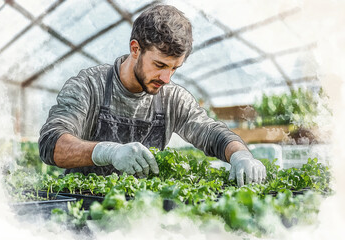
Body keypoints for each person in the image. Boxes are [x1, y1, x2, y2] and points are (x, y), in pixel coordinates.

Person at [39, 4, 266, 187]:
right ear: (135, 49)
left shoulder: (172, 99)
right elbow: (51, 144)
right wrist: (107, 152)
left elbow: (212, 133)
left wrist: (241, 156)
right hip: (82, 207)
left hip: (142, 213)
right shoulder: (89, 86)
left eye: (174, 68)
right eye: (159, 65)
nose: (166, 78)